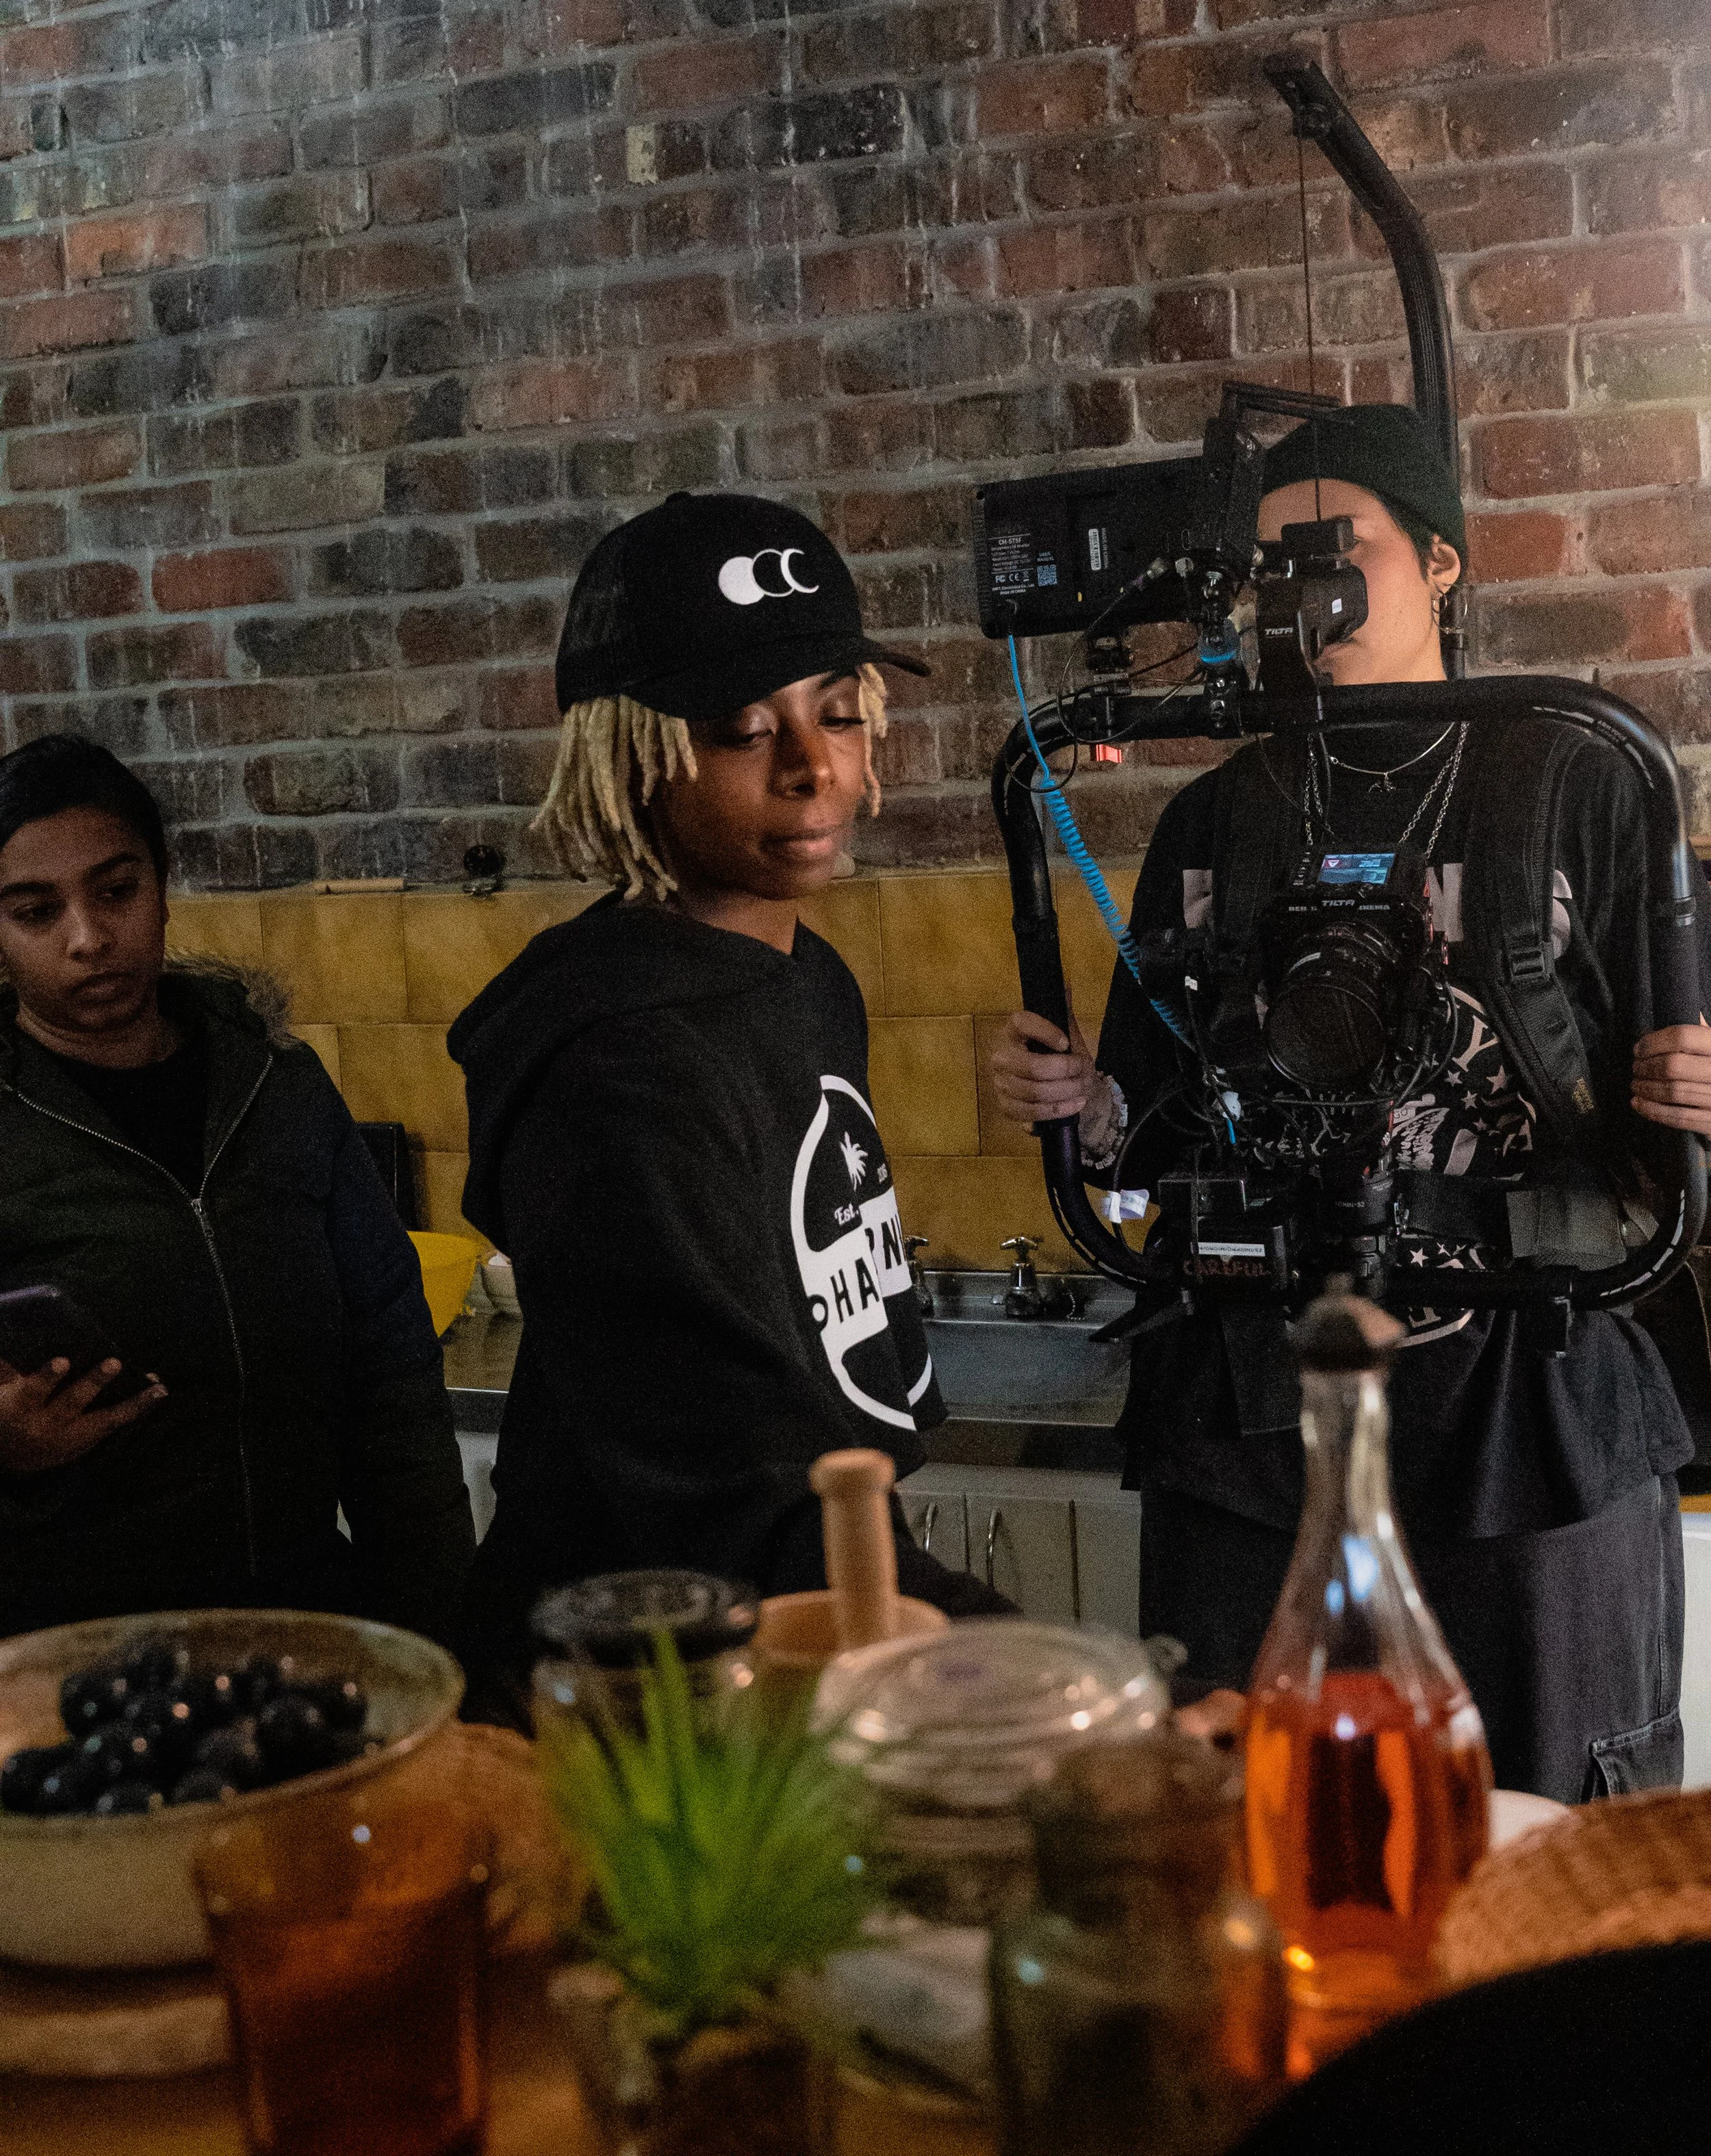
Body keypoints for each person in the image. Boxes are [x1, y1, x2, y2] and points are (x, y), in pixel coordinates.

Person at [990, 404, 1711, 1803]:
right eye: (1270, 561)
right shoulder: (1218, 825)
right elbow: (1144, 1147)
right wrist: (1079, 1109)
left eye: (1339, 547)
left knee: (1555, 1831)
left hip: (1532, 1406)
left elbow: (1673, 1127)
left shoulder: (1576, 774)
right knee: (1252, 1821)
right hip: (1262, 1415)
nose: (1303, 588)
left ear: (1438, 561)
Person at [450, 491, 1006, 1706]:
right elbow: (735, 1484)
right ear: (625, 759)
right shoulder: (620, 1070)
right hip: (638, 1694)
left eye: (840, 712)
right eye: (745, 728)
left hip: (783, 1640)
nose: (814, 767)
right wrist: (1026, 1669)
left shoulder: (805, 977)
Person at [0, 736, 475, 1644]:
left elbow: (392, 1379)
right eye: (34, 910)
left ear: (164, 884)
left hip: (307, 1631)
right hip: (71, 1668)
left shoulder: (277, 1083)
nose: (87, 936)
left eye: (115, 889)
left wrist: (441, 1633)